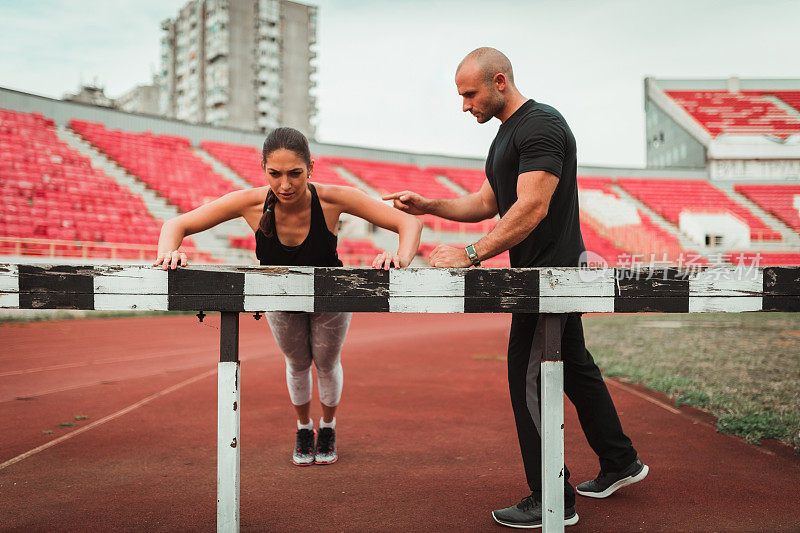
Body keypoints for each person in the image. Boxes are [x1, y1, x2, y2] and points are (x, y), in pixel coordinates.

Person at [383, 48, 647, 528]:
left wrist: (469, 255)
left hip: (548, 281)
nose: (464, 105)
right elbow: (489, 202)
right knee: (576, 369)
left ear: (499, 81)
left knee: (526, 380)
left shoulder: (540, 124)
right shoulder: (506, 135)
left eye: (469, 93)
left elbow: (532, 207)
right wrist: (429, 205)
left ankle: (552, 497)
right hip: (543, 278)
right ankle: (620, 461)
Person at [154, 127, 422, 466]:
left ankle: (327, 426)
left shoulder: (333, 198)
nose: (285, 185)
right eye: (275, 174)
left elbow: (409, 225)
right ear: (262, 168)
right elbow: (174, 226)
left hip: (330, 299)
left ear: (311, 167)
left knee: (325, 364)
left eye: (295, 173)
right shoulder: (249, 202)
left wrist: (399, 258)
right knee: (297, 364)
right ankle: (302, 427)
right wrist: (170, 253)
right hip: (279, 301)